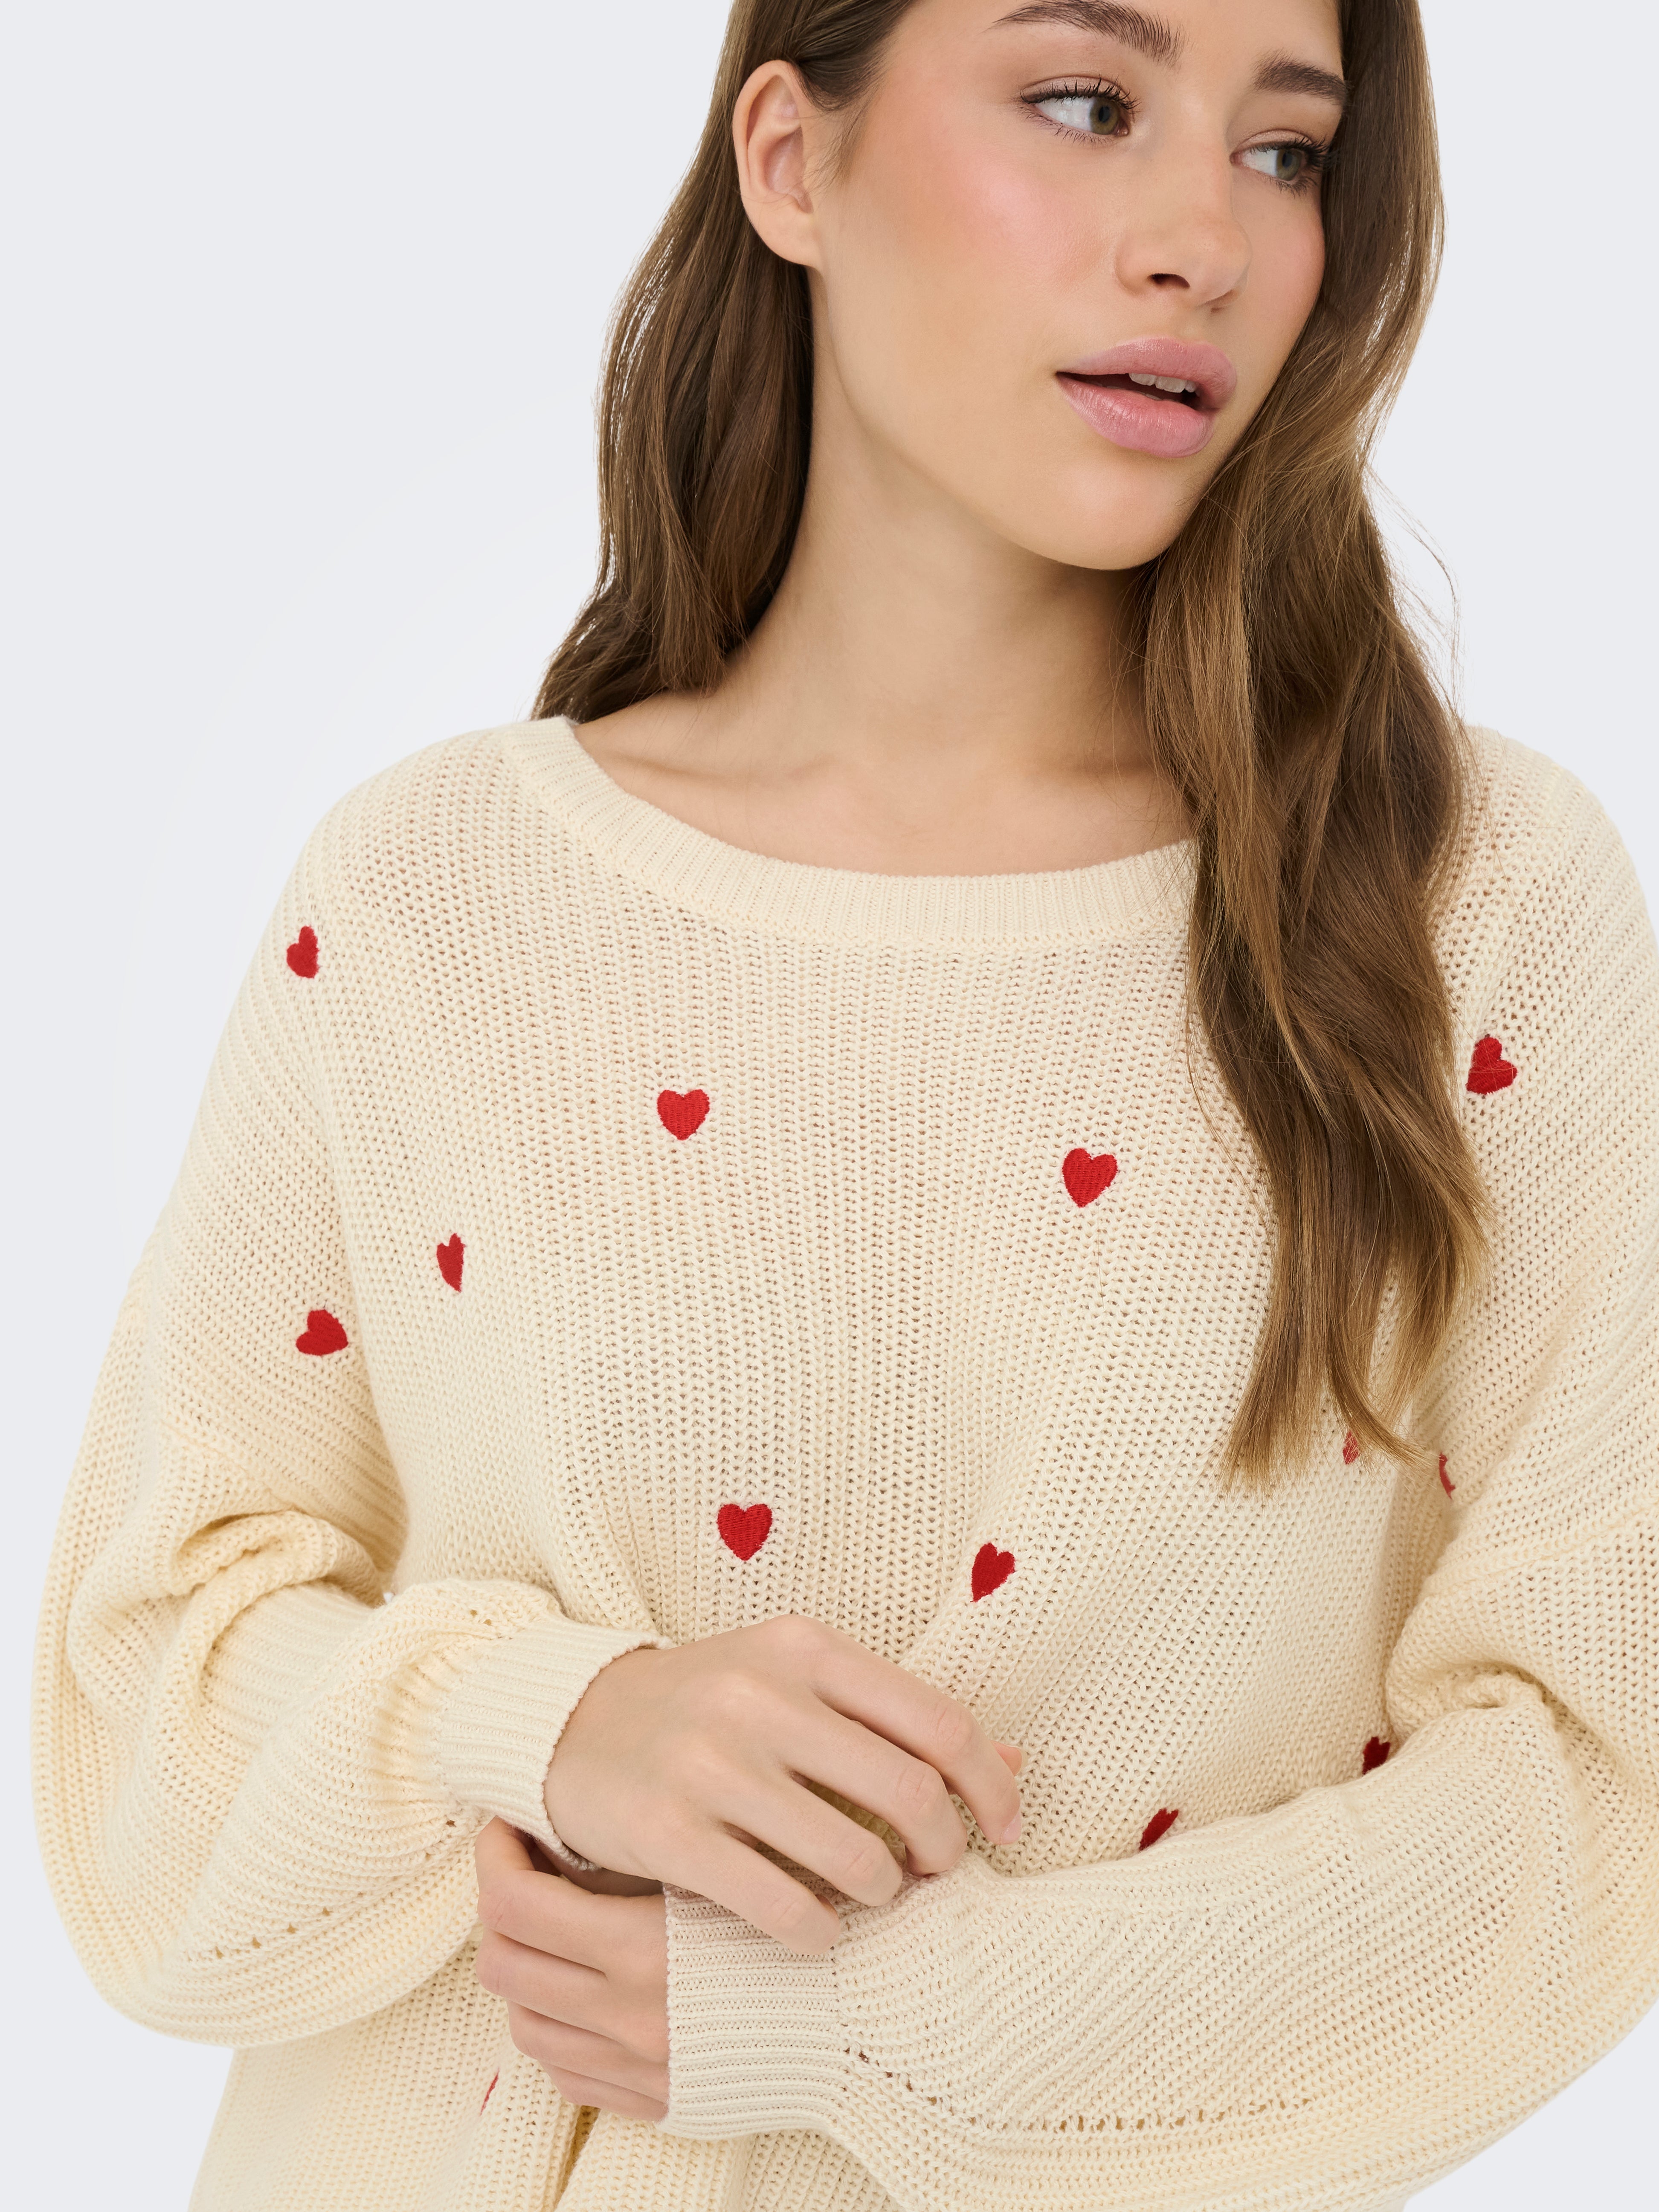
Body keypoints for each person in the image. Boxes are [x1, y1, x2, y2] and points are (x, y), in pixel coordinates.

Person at [32, 0, 1659, 2206]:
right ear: (790, 161)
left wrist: (885, 2021)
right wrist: (550, 1716)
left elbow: (1596, 1780)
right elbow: (136, 1718)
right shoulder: (435, 895)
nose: (1203, 237)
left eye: (1285, 151)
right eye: (1084, 102)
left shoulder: (1464, 910)